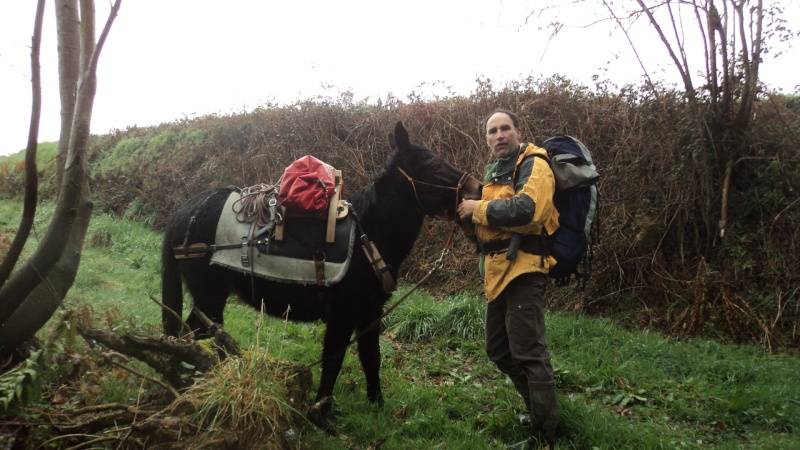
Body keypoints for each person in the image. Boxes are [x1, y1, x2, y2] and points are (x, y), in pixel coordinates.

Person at [457, 109, 560, 449]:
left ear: (518, 131)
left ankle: (544, 437)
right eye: (492, 131)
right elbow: (493, 223)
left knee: (529, 352)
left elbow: (529, 211)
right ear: (487, 139)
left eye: (505, 128)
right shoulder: (494, 173)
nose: (498, 135)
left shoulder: (535, 164)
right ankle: (538, 411)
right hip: (498, 272)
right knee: (499, 349)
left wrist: (478, 209)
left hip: (525, 269)